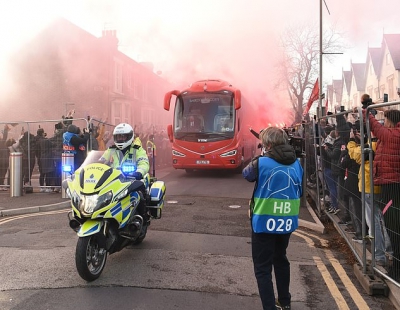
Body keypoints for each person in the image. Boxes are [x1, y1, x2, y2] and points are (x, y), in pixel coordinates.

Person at [242, 126, 303, 310]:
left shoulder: (261, 163)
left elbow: (246, 175)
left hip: (264, 222)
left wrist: (261, 156)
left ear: (267, 144)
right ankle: (285, 302)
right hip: (286, 220)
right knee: (281, 259)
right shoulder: (296, 163)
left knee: (262, 268)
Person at [364, 107, 400, 280]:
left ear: (391, 121)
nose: (383, 123)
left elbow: (375, 127)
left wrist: (367, 109)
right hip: (392, 185)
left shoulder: (393, 135)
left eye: (385, 120)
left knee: (393, 229)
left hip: (391, 187)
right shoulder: (394, 133)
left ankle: (397, 271)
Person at [101, 123, 150, 232]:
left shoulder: (137, 149)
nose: (121, 139)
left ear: (129, 137)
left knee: (139, 195)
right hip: (115, 179)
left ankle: (143, 219)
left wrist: (139, 172)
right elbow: (101, 161)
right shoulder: (111, 150)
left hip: (133, 179)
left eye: (123, 137)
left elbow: (144, 162)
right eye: (118, 137)